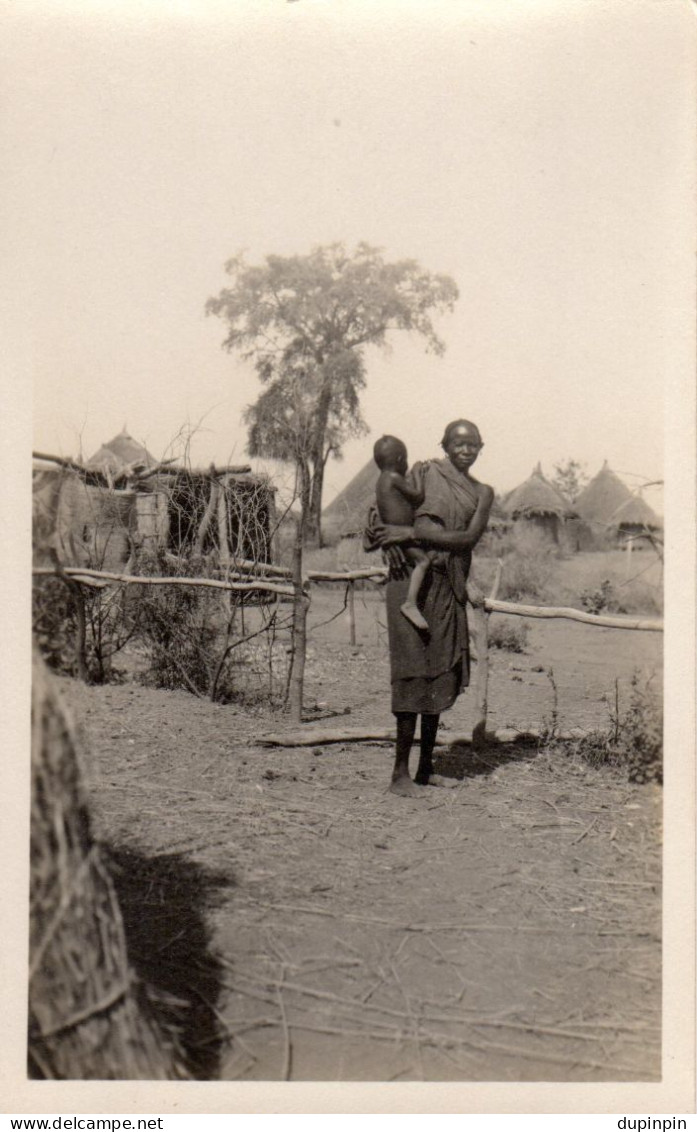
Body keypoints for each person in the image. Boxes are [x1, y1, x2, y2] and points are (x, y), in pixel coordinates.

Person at [368, 419, 493, 796]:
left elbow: (467, 538)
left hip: (448, 585)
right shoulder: (423, 472)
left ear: (481, 447)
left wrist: (410, 534)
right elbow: (384, 511)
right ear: (444, 445)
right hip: (412, 582)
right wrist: (386, 536)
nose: (465, 449)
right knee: (411, 673)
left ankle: (424, 769)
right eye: (458, 443)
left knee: (438, 673)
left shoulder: (483, 492)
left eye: (472, 443)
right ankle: (399, 775)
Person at [373, 435, 436, 631]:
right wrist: (417, 472)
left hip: (395, 536)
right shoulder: (393, 478)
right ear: (401, 459)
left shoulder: (380, 480)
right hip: (400, 535)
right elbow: (417, 496)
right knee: (423, 561)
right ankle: (410, 603)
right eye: (407, 460)